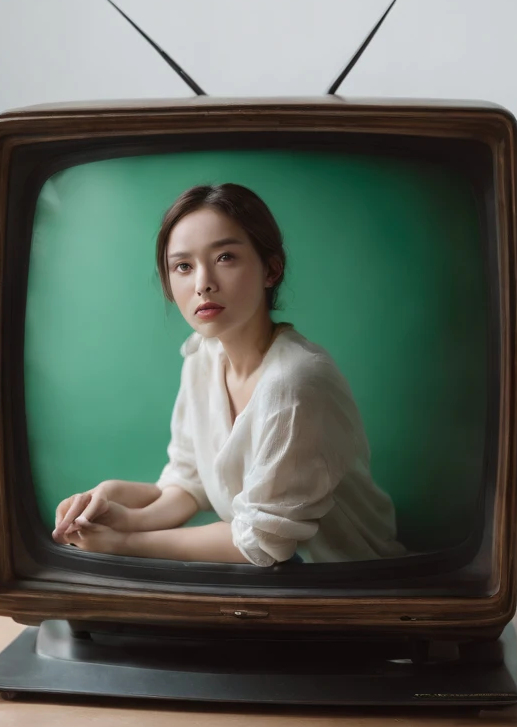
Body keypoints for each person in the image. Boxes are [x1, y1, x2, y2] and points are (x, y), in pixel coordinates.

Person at [52, 183, 406, 566]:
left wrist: (123, 543)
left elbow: (260, 542)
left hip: (348, 585)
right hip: (262, 586)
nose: (202, 282)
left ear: (271, 269)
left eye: (224, 257)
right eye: (183, 266)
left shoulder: (295, 383)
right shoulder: (203, 358)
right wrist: (117, 506)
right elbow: (190, 485)